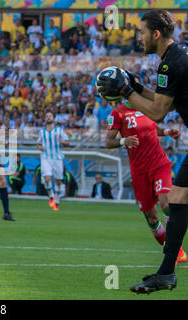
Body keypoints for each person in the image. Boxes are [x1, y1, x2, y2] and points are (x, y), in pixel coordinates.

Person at [96, 10, 188, 293]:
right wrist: (137, 87)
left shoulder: (169, 63)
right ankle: (166, 273)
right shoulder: (177, 56)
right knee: (178, 198)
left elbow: (158, 113)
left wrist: (127, 92)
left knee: (177, 199)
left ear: (156, 34)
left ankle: (166, 272)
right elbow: (168, 103)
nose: (139, 37)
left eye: (142, 32)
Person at [106, 100, 186, 262]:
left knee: (166, 204)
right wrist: (123, 141)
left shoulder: (148, 108)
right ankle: (175, 250)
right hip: (139, 172)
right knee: (151, 218)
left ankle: (173, 247)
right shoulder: (118, 113)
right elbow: (108, 142)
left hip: (159, 163)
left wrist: (166, 131)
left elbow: (151, 129)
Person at [37, 112, 70, 211]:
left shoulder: (59, 130)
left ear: (53, 119)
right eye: (46, 116)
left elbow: (67, 142)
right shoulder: (42, 132)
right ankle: (51, 196)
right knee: (46, 179)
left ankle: (57, 201)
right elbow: (38, 143)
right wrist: (40, 147)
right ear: (45, 119)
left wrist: (62, 141)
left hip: (57, 158)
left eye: (50, 116)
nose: (48, 117)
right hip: (45, 157)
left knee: (58, 182)